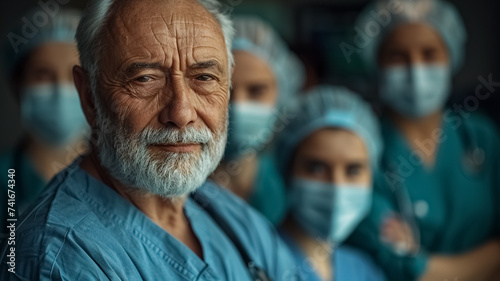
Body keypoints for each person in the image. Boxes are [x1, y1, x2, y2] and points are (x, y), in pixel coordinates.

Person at [0, 1, 299, 280]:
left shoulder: (230, 217)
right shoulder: (61, 258)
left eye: (204, 78)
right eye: (145, 78)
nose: (181, 113)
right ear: (89, 96)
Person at [346, 0, 500, 280]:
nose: (415, 69)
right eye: (397, 56)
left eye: (429, 54)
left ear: (451, 57)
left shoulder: (480, 137)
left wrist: (425, 263)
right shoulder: (361, 149)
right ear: (376, 63)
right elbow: (407, 268)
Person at [275, 86, 387, 281]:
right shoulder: (260, 259)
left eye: (353, 170)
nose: (337, 186)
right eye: (317, 168)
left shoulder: (362, 270)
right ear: (288, 170)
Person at [0, 9, 87, 241]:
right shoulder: (3, 178)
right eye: (43, 75)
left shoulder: (117, 175)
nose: (60, 91)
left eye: (73, 77)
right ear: (18, 84)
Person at [212, 17, 304, 224]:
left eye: (256, 90)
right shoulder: (177, 185)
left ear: (282, 95)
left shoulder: (288, 181)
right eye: (226, 90)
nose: (238, 105)